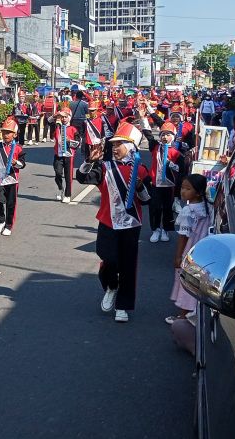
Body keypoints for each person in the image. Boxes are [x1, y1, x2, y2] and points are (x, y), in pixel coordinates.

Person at [76, 122, 151, 323]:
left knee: (128, 265)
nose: (115, 148)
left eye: (120, 144)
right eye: (114, 144)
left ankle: (123, 306)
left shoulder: (141, 170)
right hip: (108, 222)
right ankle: (110, 286)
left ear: (132, 146)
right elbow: (83, 178)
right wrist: (88, 162)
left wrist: (140, 187)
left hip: (131, 224)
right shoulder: (104, 167)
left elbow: (147, 200)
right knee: (108, 258)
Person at [166, 174, 213, 325]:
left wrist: (178, 256)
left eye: (187, 189)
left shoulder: (188, 211)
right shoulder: (208, 208)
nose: (183, 191)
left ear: (198, 192)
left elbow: (183, 236)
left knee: (186, 281)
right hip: (203, 249)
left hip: (190, 251)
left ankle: (182, 316)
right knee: (197, 281)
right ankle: (192, 311)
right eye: (182, 188)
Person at [141, 121, 184, 244]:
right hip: (155, 184)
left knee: (167, 208)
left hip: (169, 186)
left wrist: (171, 165)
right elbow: (148, 134)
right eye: (163, 134)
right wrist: (143, 117)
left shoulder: (176, 152)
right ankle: (156, 229)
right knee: (154, 207)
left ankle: (165, 229)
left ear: (173, 136)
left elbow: (182, 170)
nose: (165, 137)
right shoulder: (155, 147)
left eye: (168, 134)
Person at [53, 108, 80, 203]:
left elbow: (77, 144)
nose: (64, 119)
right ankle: (60, 189)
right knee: (58, 173)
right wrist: (56, 115)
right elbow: (49, 121)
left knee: (68, 176)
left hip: (69, 155)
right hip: (58, 155)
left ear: (69, 117)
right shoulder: (57, 127)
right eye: (62, 117)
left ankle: (68, 195)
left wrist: (70, 141)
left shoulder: (73, 129)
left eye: (66, 117)